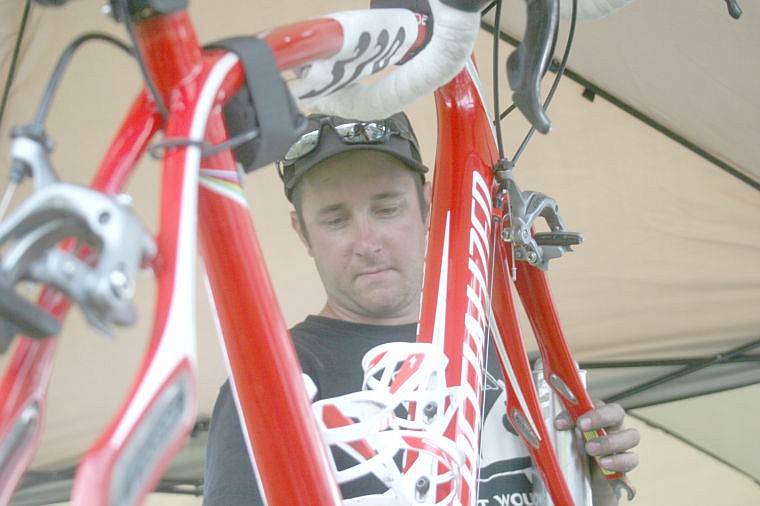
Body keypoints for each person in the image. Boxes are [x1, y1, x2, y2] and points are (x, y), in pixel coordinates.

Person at [203, 112, 640, 505]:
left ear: (429, 206)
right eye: (336, 220)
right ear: (302, 232)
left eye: (387, 209)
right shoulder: (271, 381)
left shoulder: (495, 352)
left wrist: (592, 483)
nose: (367, 243)